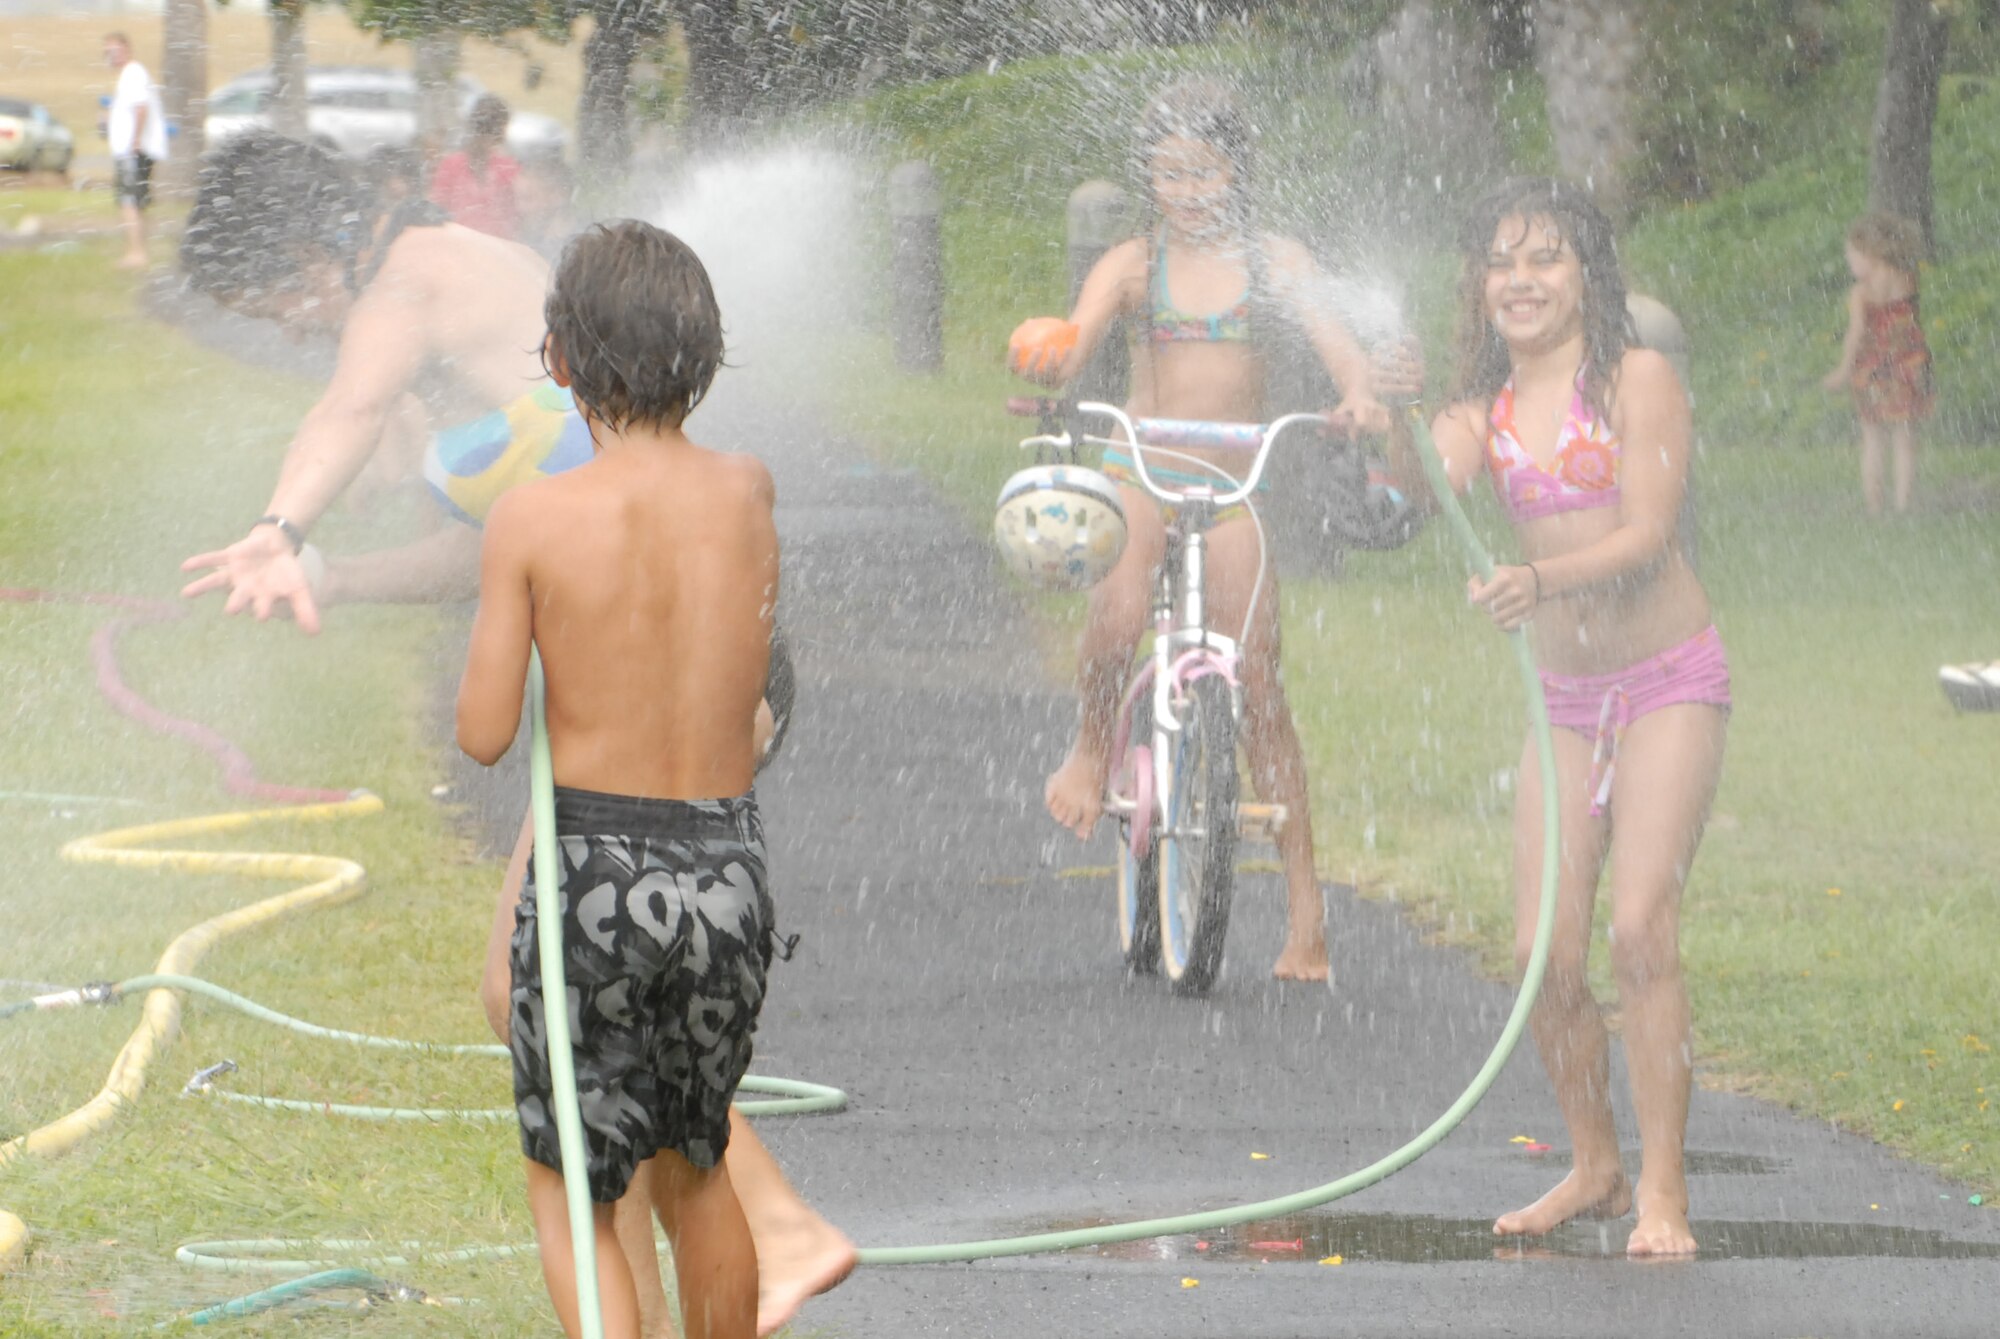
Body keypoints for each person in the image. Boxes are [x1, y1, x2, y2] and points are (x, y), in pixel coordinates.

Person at [175, 132, 853, 1336]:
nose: (288, 331)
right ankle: (761, 1233)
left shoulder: (404, 284)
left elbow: (360, 410)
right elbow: (502, 548)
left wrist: (281, 527)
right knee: (558, 1021)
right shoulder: (720, 469)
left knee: (553, 1046)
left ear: (300, 251)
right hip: (715, 749)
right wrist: (330, 565)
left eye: (270, 302)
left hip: (628, 763)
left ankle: (778, 1231)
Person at [457, 219, 774, 1339]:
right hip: (725, 870)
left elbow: (486, 731)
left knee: (575, 1182)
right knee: (698, 1159)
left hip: (593, 876)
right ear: (704, 351)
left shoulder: (533, 516)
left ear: (556, 359)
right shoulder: (747, 493)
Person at [1007, 79, 1390, 981]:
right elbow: (1077, 329)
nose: (1189, 188)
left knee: (1260, 680)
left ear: (1236, 173)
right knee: (1118, 608)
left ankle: (1306, 917)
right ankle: (1094, 743)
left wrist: (1359, 390)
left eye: (1206, 170)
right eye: (1171, 171)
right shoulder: (1136, 262)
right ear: (1150, 177)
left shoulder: (1275, 261)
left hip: (1233, 476)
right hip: (1139, 464)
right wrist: (1045, 364)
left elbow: (1334, 336)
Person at [1408, 178, 1727, 1257]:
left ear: (1586, 273)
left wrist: (1536, 581)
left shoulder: (1636, 378)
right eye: (1500, 261)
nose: (1519, 279)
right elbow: (1417, 495)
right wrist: (1385, 422)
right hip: (1561, 700)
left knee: (1637, 929)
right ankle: (1594, 1165)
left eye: (1543, 258)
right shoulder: (1474, 413)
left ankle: (1663, 1193)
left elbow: (1644, 532)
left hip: (1664, 681)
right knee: (1542, 951)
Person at [1822, 212, 1933, 517]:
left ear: (1870, 253)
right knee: (1905, 437)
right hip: (1909, 365)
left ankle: (1874, 507)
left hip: (1873, 371)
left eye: (1852, 256)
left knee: (1872, 438)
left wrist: (1844, 370)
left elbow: (1856, 335)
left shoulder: (1861, 293)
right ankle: (1903, 504)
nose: (1849, 263)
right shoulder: (1908, 279)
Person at [103, 32, 167, 270]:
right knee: (137, 201)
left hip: (133, 151)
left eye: (114, 50)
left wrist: (135, 140)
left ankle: (136, 253)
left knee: (129, 201)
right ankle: (140, 251)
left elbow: (141, 108)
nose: (110, 56)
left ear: (126, 49)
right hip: (132, 149)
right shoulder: (130, 75)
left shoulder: (133, 73)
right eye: (107, 52)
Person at [430, 94, 522, 240]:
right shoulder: (452, 165)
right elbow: (437, 210)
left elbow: (516, 213)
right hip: (459, 245)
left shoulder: (506, 167)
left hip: (496, 248)